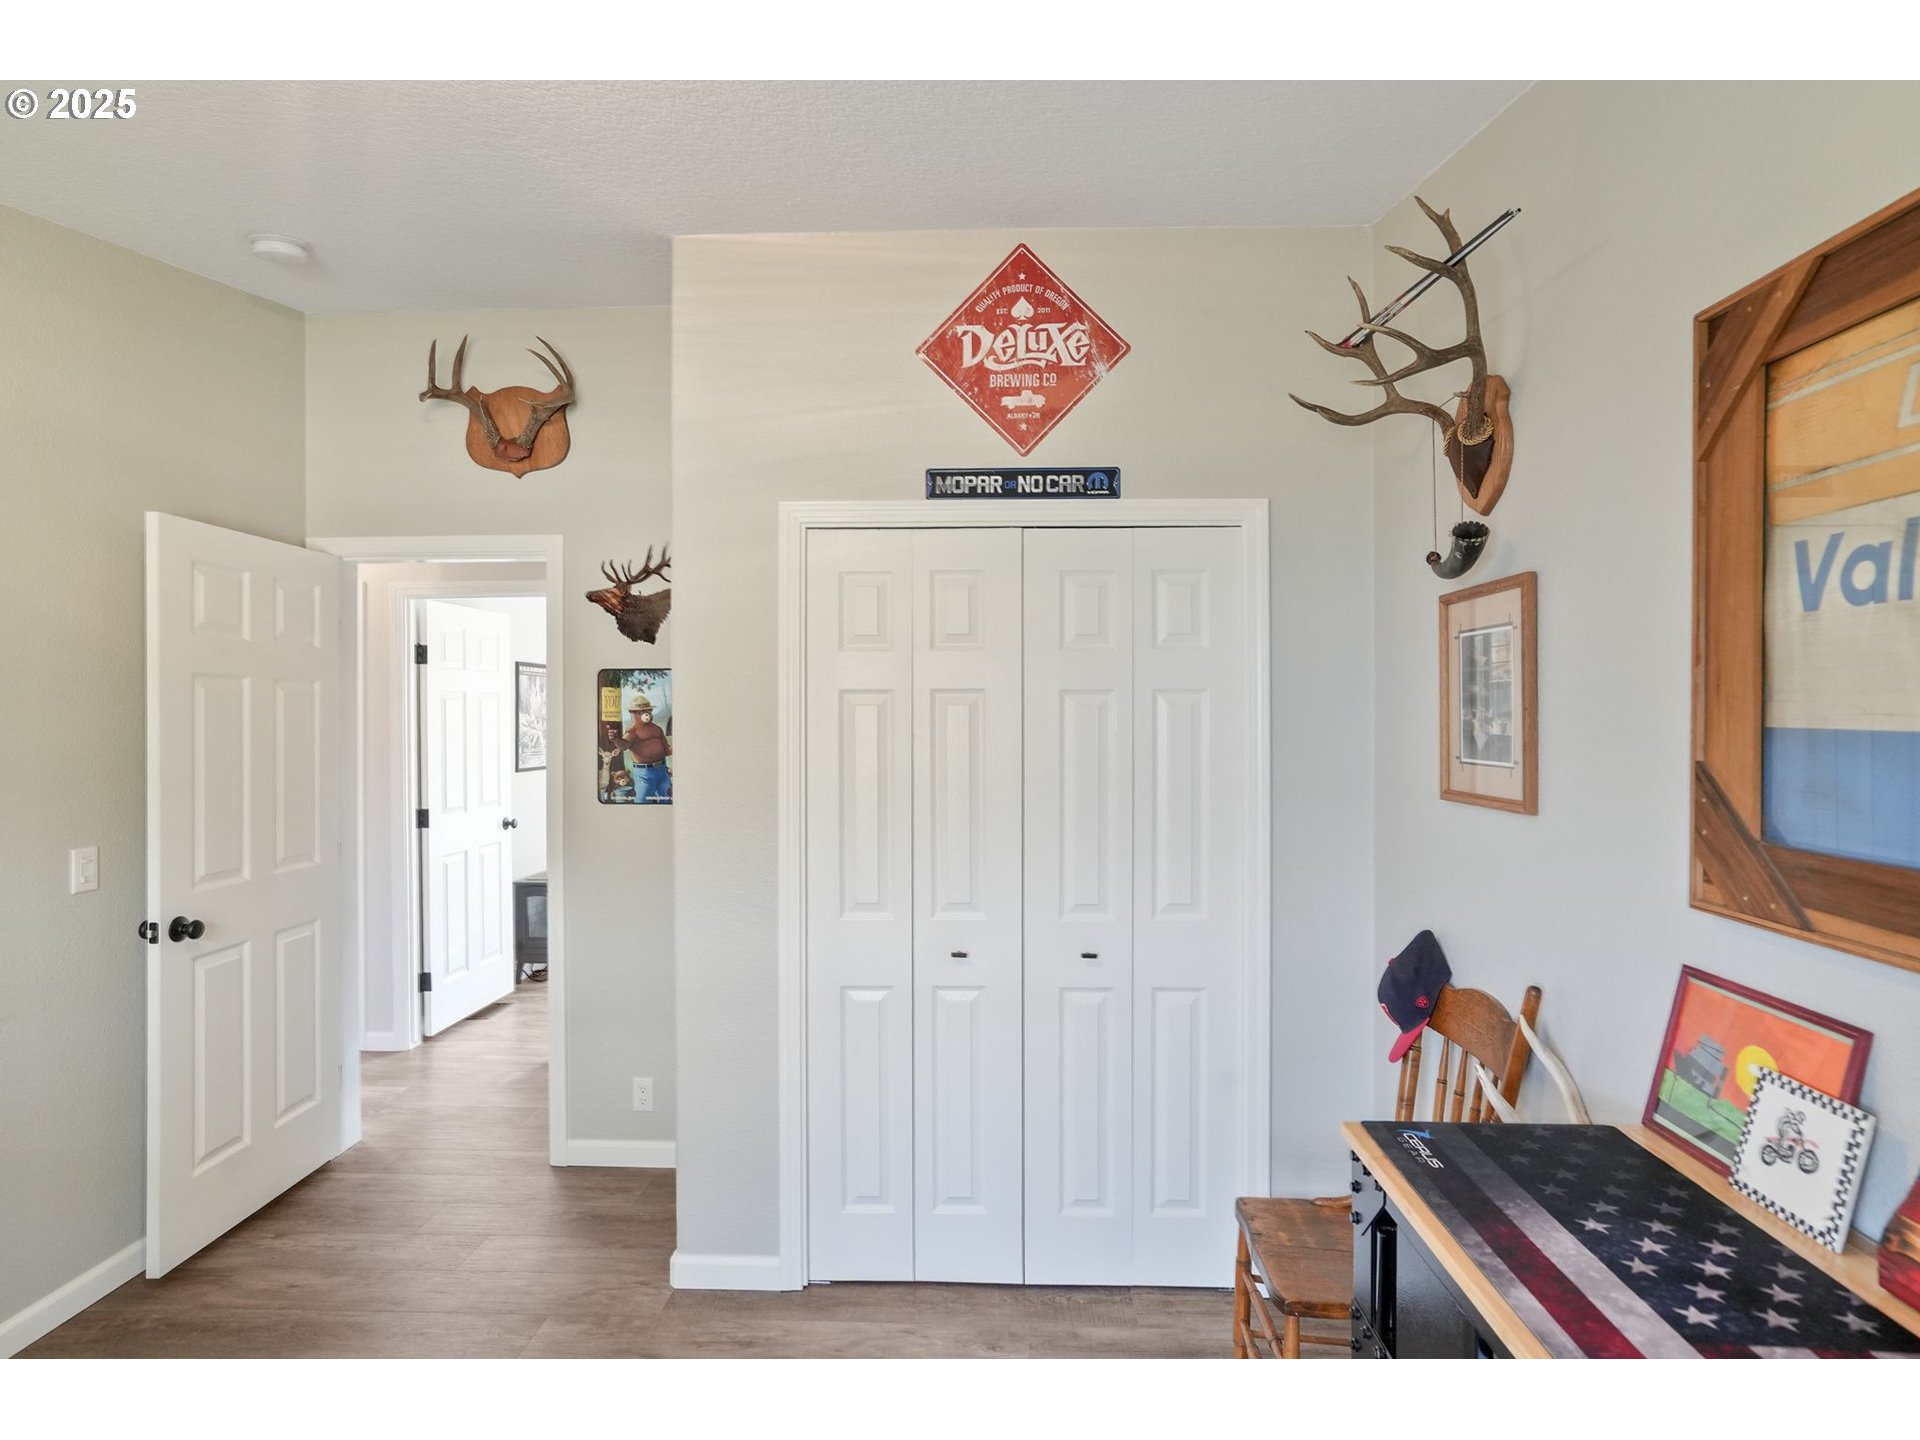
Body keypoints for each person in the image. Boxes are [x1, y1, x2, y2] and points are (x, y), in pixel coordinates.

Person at [624, 697, 672, 802]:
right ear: (632, 713)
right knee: (642, 801)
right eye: (640, 712)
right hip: (644, 773)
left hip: (662, 770)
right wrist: (615, 740)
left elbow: (667, 751)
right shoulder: (632, 731)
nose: (646, 715)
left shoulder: (657, 729)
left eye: (648, 711)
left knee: (667, 799)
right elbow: (624, 746)